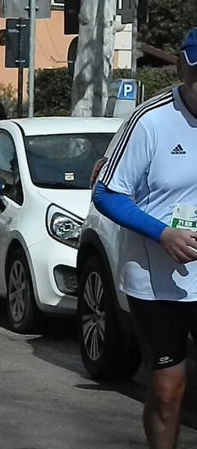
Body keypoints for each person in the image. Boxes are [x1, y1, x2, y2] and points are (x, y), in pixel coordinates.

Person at [92, 27, 197, 449]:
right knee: (168, 391)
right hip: (157, 279)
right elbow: (105, 193)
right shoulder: (149, 120)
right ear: (183, 67)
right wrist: (163, 233)